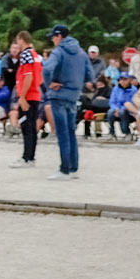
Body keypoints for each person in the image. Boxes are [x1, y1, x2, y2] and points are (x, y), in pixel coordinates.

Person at [43, 24, 87, 180]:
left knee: (62, 133)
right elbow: (90, 75)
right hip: (73, 96)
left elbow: (47, 69)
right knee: (71, 132)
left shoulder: (59, 52)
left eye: (53, 37)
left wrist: (50, 83)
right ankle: (73, 168)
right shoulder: (82, 53)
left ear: (59, 36)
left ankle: (64, 170)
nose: (52, 40)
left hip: (59, 95)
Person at [7, 30, 43, 169]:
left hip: (28, 96)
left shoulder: (26, 54)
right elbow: (38, 77)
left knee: (26, 127)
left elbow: (28, 76)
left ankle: (26, 158)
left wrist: (22, 97)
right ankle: (30, 157)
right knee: (31, 128)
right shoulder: (35, 55)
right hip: (34, 94)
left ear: (20, 39)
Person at [106, 73, 137, 140]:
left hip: (129, 111)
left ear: (129, 80)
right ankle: (111, 132)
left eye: (125, 79)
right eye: (121, 79)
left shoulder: (134, 90)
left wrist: (121, 109)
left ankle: (127, 132)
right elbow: (112, 102)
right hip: (116, 109)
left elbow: (132, 102)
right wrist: (116, 109)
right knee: (110, 112)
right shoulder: (116, 89)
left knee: (123, 112)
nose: (123, 81)